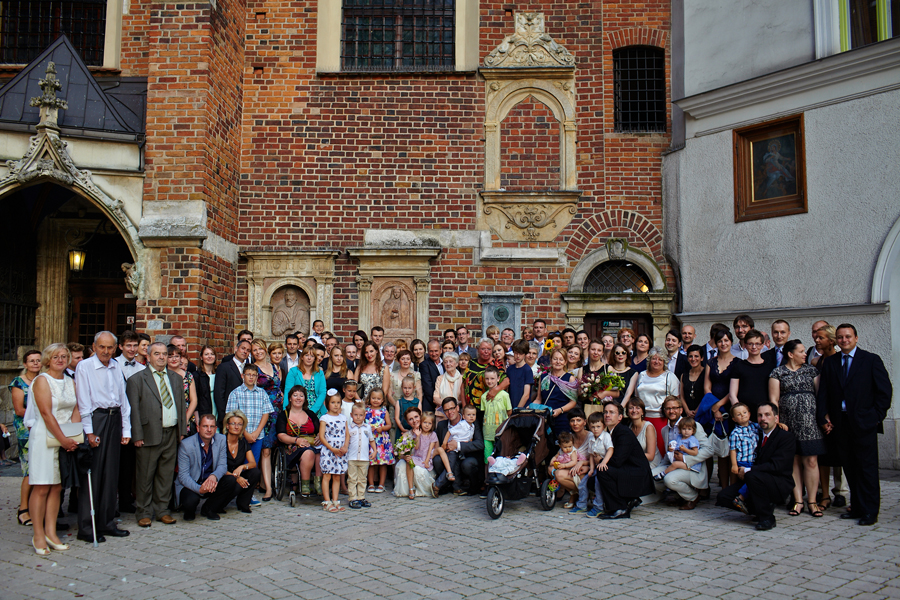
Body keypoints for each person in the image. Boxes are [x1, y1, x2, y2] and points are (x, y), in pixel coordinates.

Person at [816, 324, 892, 526]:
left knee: (866, 468)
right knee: (849, 467)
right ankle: (857, 507)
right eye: (840, 337)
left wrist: (876, 416)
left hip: (864, 423)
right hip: (840, 423)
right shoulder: (831, 362)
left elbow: (884, 391)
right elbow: (824, 392)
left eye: (848, 336)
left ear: (856, 338)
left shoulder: (871, 360)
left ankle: (870, 511)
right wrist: (823, 417)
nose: (844, 340)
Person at [75, 331, 131, 542]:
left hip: (114, 418)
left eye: (110, 347)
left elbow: (123, 400)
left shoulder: (116, 366)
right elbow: (83, 400)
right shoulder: (85, 367)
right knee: (93, 474)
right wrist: (89, 431)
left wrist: (126, 430)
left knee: (111, 474)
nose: (106, 351)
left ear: (115, 348)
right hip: (96, 419)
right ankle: (87, 527)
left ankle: (106, 523)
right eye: (102, 347)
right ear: (94, 347)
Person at [27, 344, 80, 555]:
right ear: (48, 360)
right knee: (42, 486)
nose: (60, 360)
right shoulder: (42, 380)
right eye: (56, 356)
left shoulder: (70, 381)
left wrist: (73, 438)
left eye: (64, 356)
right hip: (45, 437)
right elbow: (46, 413)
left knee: (57, 487)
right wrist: (63, 439)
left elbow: (75, 409)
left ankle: (51, 532)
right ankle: (38, 534)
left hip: (65, 437)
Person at [127, 342, 186, 528]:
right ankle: (143, 512)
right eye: (157, 354)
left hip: (171, 433)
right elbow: (133, 410)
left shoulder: (176, 378)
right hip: (148, 434)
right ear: (148, 356)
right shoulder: (137, 380)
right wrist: (137, 435)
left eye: (164, 354)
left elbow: (181, 406)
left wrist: (182, 431)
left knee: (165, 475)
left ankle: (162, 510)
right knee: (145, 475)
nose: (161, 357)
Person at [717, 403, 797, 531]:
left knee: (752, 476)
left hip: (777, 483)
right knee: (724, 496)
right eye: (760, 415)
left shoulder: (785, 437)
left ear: (776, 418)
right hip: (754, 480)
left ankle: (766, 518)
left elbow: (777, 465)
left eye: (767, 415)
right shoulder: (755, 434)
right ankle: (758, 509)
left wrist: (747, 470)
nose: (763, 418)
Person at [769, 339, 825, 517]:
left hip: (810, 424)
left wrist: (823, 417)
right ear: (790, 354)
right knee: (793, 461)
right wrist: (776, 420)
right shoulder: (778, 372)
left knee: (811, 461)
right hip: (788, 423)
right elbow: (774, 399)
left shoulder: (811, 371)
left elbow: (820, 395)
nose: (805, 354)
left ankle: (812, 501)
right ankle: (798, 500)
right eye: (801, 351)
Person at [595, 403, 655, 519]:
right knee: (594, 476)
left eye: (612, 412)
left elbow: (617, 460)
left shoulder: (623, 432)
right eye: (605, 412)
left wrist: (601, 460)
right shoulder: (610, 432)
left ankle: (620, 508)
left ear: (620, 417)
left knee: (603, 471)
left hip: (637, 472)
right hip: (627, 468)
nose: (607, 415)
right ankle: (628, 499)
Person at [177, 414, 241, 521]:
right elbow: (183, 476)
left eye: (212, 426)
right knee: (190, 501)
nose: (209, 430)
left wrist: (213, 476)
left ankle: (209, 508)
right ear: (198, 428)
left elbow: (222, 465)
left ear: (216, 429)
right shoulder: (186, 445)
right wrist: (199, 489)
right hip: (193, 483)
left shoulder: (221, 439)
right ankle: (189, 511)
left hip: (211, 482)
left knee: (232, 482)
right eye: (205, 426)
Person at [810, 324, 846, 509]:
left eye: (821, 337)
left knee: (840, 455)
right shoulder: (816, 362)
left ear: (831, 341)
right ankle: (823, 493)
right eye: (816, 337)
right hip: (821, 412)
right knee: (823, 455)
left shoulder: (841, 361)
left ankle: (840, 491)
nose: (816, 340)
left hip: (839, 414)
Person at [655, 397, 713, 509]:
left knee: (669, 479)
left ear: (681, 410)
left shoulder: (693, 425)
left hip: (692, 467)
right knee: (650, 477)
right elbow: (668, 454)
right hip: (673, 465)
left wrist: (685, 459)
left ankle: (693, 497)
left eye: (674, 408)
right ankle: (678, 495)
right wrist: (659, 468)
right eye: (668, 408)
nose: (671, 411)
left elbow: (709, 450)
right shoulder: (664, 430)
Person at [622, 347, 680, 451]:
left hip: (661, 418)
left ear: (664, 362)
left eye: (660, 359)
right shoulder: (642, 375)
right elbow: (637, 396)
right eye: (654, 358)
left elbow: (676, 400)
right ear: (649, 360)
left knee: (660, 449)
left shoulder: (670, 377)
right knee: (641, 449)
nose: (657, 361)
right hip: (641, 418)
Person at [10, 349, 41, 527]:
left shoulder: (43, 380)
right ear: (25, 364)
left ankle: (36, 507)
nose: (35, 363)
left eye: (38, 360)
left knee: (40, 470)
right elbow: (19, 410)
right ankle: (23, 509)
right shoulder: (18, 382)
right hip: (26, 430)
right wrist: (43, 415)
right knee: (29, 470)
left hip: (42, 427)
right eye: (32, 361)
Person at [250, 339, 282, 501]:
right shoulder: (252, 369)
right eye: (254, 350)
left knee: (274, 448)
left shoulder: (275, 367)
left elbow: (279, 388)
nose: (258, 352)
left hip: (277, 412)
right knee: (265, 449)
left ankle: (265, 482)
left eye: (260, 349)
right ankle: (268, 488)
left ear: (265, 350)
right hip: (262, 412)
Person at [705, 328, 738, 484]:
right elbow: (707, 387)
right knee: (719, 451)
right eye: (720, 341)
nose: (723, 343)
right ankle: (724, 489)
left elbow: (735, 389)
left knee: (731, 450)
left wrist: (719, 405)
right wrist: (714, 406)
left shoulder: (738, 363)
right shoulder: (711, 362)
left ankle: (732, 488)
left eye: (726, 340)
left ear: (731, 342)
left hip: (730, 409)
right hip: (713, 408)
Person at [276, 386, 321, 498]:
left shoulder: (310, 414)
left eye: (301, 396)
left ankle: (318, 483)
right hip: (291, 446)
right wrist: (296, 440)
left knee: (319, 452)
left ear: (305, 399)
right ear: (290, 398)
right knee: (309, 453)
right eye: (295, 395)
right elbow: (281, 435)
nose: (298, 398)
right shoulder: (284, 415)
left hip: (311, 444)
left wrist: (319, 436)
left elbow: (320, 430)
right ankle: (305, 485)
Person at [433, 398, 484, 496]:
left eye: (452, 408)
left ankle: (473, 486)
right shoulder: (441, 425)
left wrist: (458, 445)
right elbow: (437, 442)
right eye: (446, 410)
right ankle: (447, 486)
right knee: (437, 460)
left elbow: (480, 444)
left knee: (468, 464)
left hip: (466, 456)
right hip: (450, 456)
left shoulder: (471, 421)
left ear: (457, 408)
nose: (450, 412)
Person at [226, 364, 270, 472]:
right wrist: (245, 433)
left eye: (254, 375)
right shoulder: (235, 393)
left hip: (257, 436)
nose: (251, 377)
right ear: (242, 376)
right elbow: (231, 416)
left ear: (257, 377)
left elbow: (266, 413)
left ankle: (250, 482)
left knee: (253, 464)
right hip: (240, 436)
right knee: (239, 463)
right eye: (248, 374)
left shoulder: (262, 393)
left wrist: (257, 432)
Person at [395, 408, 440, 499]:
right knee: (401, 464)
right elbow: (399, 454)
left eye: (416, 417)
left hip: (425, 463)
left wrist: (427, 460)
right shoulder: (406, 435)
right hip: (411, 461)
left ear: (421, 417)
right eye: (410, 419)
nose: (414, 420)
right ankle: (408, 490)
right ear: (408, 422)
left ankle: (421, 489)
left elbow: (436, 449)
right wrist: (404, 457)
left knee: (418, 469)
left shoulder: (431, 434)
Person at [222, 410, 262, 514]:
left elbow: (253, 463)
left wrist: (242, 467)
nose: (236, 427)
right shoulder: (220, 441)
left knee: (255, 472)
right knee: (233, 481)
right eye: (233, 424)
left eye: (239, 424)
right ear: (227, 426)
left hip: (236, 475)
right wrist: (236, 477)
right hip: (223, 477)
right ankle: (219, 505)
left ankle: (243, 503)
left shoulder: (243, 442)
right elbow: (217, 467)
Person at [728, 329, 773, 420]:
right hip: (744, 417)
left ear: (762, 345)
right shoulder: (739, 366)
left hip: (764, 415)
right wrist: (740, 413)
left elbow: (773, 395)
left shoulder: (770, 367)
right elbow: (732, 394)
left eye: (757, 344)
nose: (754, 347)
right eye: (750, 344)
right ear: (745, 345)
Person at [318, 392, 349, 512]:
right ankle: (327, 501)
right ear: (327, 403)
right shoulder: (324, 418)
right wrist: (331, 449)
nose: (336, 405)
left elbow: (347, 434)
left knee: (337, 476)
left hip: (340, 451)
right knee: (327, 475)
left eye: (338, 402)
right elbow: (322, 437)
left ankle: (335, 500)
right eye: (333, 402)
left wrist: (345, 446)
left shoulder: (343, 418)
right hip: (329, 450)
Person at [578, 411, 613, 517]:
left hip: (605, 467)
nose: (595, 429)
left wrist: (604, 462)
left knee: (598, 484)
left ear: (604, 426)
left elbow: (610, 450)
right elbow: (591, 455)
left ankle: (599, 507)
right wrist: (592, 469)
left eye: (598, 426)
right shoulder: (591, 438)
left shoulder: (606, 436)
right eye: (593, 427)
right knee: (583, 483)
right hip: (596, 467)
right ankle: (581, 505)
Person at [464, 339, 509, 417]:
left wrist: (495, 390)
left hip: (489, 407)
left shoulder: (496, 363)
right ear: (478, 349)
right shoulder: (471, 363)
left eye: (489, 349)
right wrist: (464, 406)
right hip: (471, 410)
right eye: (483, 349)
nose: (486, 351)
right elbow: (463, 384)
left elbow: (506, 381)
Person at [539, 349, 579, 436]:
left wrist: (560, 410)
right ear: (550, 360)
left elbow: (573, 402)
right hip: (544, 417)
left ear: (565, 362)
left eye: (561, 359)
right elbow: (539, 399)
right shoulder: (543, 377)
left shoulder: (570, 378)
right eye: (555, 359)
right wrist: (530, 407)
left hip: (562, 418)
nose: (558, 362)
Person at [214, 339, 252, 429]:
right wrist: (224, 416)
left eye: (248, 350)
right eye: (243, 348)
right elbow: (219, 393)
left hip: (247, 416)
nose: (245, 351)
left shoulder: (250, 369)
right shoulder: (224, 367)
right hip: (229, 415)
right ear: (236, 348)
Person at [346, 402, 376, 509]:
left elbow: (371, 440)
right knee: (352, 479)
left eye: (361, 415)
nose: (358, 417)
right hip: (352, 458)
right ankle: (352, 498)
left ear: (364, 415)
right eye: (356, 415)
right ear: (351, 415)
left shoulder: (367, 428)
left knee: (362, 478)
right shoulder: (349, 428)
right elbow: (346, 442)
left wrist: (375, 450)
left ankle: (361, 497)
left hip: (364, 458)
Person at [481, 367, 512, 467]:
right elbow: (484, 413)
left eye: (492, 378)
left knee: (501, 456)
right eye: (487, 378)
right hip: (487, 433)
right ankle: (487, 475)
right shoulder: (483, 396)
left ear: (498, 379)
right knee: (488, 458)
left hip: (501, 431)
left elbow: (509, 411)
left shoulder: (504, 395)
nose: (489, 381)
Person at [365, 388, 394, 493]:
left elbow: (389, 425)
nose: (376, 400)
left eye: (378, 398)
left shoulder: (384, 411)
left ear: (382, 400)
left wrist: (382, 428)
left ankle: (382, 484)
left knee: (383, 463)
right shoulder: (366, 410)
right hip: (370, 440)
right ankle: (371, 484)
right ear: (369, 398)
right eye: (373, 398)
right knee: (371, 463)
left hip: (382, 440)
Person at [285, 346, 327, 416]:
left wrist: (313, 410)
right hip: (297, 408)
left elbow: (322, 392)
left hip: (316, 409)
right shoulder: (293, 371)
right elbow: (288, 391)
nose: (309, 358)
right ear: (302, 357)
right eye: (306, 355)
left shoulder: (320, 373)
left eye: (312, 356)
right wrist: (286, 410)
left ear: (314, 359)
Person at [167, 345, 198, 435]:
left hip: (186, 416)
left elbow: (194, 400)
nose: (174, 359)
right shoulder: (162, 375)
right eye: (170, 356)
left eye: (177, 356)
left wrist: (185, 419)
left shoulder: (188, 376)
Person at [548, 432, 585, 502]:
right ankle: (560, 487)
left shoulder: (573, 452)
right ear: (560, 446)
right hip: (564, 466)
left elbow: (574, 462)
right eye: (565, 447)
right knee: (551, 469)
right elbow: (556, 456)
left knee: (560, 474)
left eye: (570, 446)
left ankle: (575, 492)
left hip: (572, 468)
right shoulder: (560, 451)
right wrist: (552, 460)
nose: (568, 449)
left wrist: (564, 465)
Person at [355, 341, 387, 406]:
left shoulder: (384, 368)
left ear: (376, 351)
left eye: (371, 351)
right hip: (363, 404)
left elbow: (384, 390)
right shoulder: (360, 368)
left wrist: (378, 402)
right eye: (366, 352)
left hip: (378, 404)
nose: (369, 355)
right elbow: (353, 386)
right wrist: (360, 401)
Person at [433, 351, 463, 419]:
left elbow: (463, 399)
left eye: (451, 361)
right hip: (442, 415)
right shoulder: (440, 378)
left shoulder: (462, 379)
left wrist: (452, 407)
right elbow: (435, 398)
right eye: (445, 362)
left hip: (458, 414)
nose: (448, 364)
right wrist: (448, 407)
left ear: (457, 364)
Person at [506, 340, 533, 409]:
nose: (518, 356)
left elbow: (526, 395)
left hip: (522, 409)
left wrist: (517, 409)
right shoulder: (510, 369)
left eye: (520, 353)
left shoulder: (527, 370)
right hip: (510, 406)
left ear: (525, 354)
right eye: (516, 353)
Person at [679, 345, 705, 416]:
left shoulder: (706, 373)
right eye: (690, 356)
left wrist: (697, 411)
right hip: (686, 414)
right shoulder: (684, 375)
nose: (693, 359)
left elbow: (707, 395)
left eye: (696, 356)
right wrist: (687, 411)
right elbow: (682, 396)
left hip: (702, 413)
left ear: (702, 358)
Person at [419, 340, 444, 413]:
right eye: (431, 351)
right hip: (431, 405)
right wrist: (438, 402)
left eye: (436, 351)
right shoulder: (424, 365)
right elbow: (428, 388)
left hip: (446, 405)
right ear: (427, 351)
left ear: (441, 350)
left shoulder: (446, 363)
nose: (434, 354)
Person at [194, 345, 217, 420]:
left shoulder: (219, 374)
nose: (209, 356)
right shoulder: (197, 375)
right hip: (203, 411)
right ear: (201, 357)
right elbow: (195, 398)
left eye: (212, 354)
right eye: (206, 354)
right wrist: (197, 418)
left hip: (217, 410)